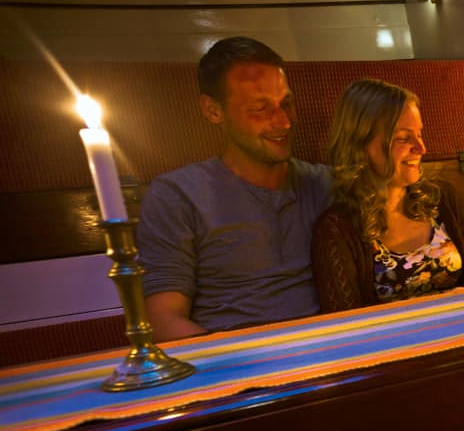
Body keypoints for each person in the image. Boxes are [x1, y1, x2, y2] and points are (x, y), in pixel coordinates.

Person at [137, 36, 332, 341]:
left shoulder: (324, 185)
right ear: (213, 111)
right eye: (260, 108)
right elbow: (163, 318)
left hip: (328, 353)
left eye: (287, 104)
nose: (282, 121)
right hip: (230, 362)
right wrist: (243, 367)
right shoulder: (177, 195)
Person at [312, 78, 464, 312]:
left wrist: (457, 303)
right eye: (404, 138)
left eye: (419, 134)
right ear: (361, 144)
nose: (421, 148)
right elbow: (346, 324)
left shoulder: (442, 198)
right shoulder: (336, 229)